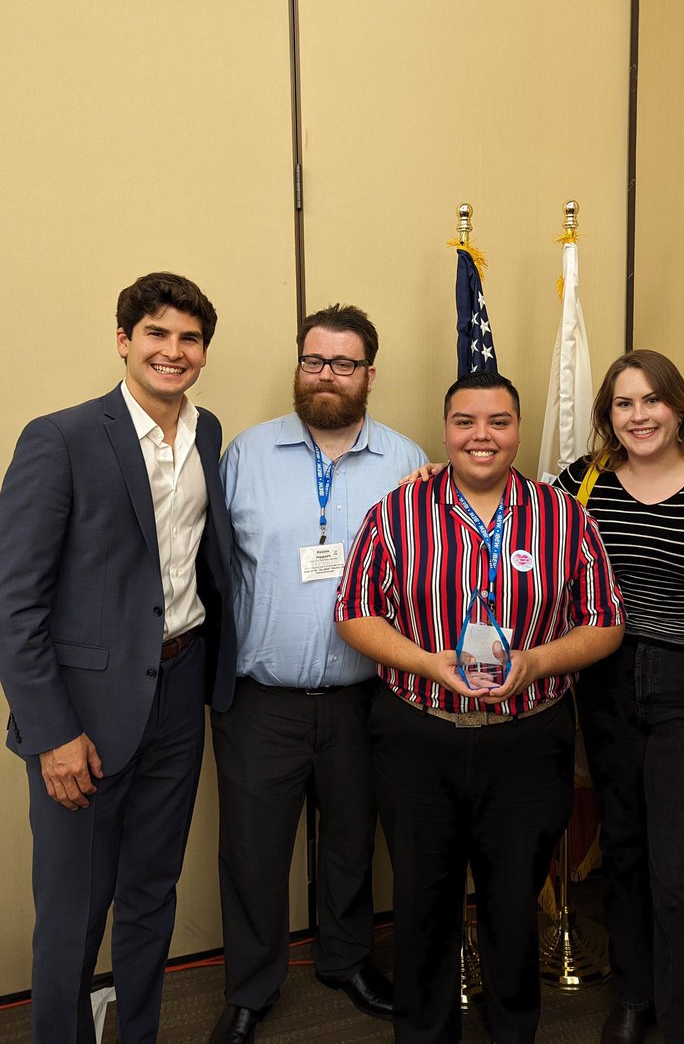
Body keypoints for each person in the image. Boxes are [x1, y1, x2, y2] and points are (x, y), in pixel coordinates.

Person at [335, 370, 624, 1044]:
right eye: (466, 422)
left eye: (498, 421)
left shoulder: (563, 516)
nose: (482, 436)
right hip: (418, 736)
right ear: (446, 430)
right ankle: (425, 1033)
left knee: (512, 904)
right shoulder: (397, 513)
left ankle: (512, 1029)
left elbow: (606, 621)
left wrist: (536, 663)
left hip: (528, 739)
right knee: (422, 903)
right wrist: (428, 662)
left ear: (518, 429)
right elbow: (353, 612)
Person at [0, 272, 235, 1044]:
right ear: (124, 341)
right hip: (84, 717)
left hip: (178, 689)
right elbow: (16, 603)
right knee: (73, 915)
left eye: (189, 338)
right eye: (157, 334)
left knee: (151, 895)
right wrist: (50, 733)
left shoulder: (207, 433)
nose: (173, 351)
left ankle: (138, 1034)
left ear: (203, 352)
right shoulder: (60, 438)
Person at [208, 304, 427, 1044]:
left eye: (343, 363)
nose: (325, 375)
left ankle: (347, 959)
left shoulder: (406, 462)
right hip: (259, 700)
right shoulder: (245, 453)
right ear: (298, 365)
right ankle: (251, 987)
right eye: (313, 361)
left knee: (350, 843)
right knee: (252, 850)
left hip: (364, 699)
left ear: (370, 374)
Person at [555, 350, 684, 1044]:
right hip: (607, 680)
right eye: (623, 405)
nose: (639, 416)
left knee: (683, 867)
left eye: (652, 400)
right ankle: (636, 996)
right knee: (626, 850)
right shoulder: (586, 480)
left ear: (679, 405)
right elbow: (513, 512)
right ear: (608, 416)